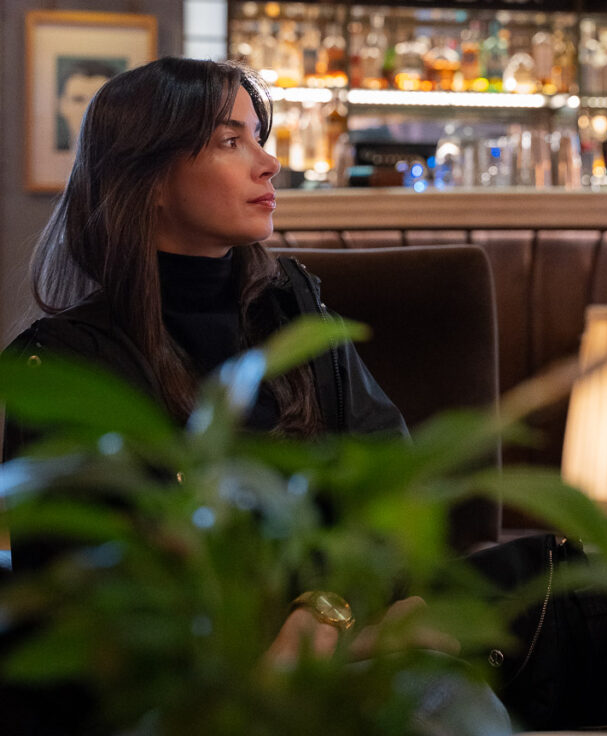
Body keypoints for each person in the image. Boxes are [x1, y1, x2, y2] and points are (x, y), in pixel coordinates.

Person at [3, 56, 414, 663]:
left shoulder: (295, 313)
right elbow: (88, 604)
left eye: (258, 137)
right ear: (151, 178)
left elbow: (395, 489)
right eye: (230, 140)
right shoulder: (65, 368)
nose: (270, 163)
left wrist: (324, 615)